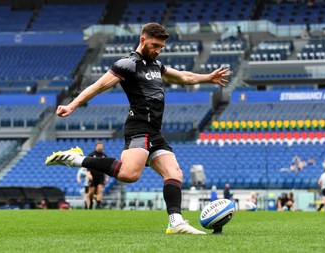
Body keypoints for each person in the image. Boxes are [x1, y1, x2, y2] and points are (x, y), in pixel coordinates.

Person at [45, 22, 229, 234]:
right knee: (129, 174)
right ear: (142, 40)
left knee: (174, 172)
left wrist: (208, 78)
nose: (158, 50)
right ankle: (75, 159)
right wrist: (72, 105)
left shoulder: (156, 66)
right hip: (138, 127)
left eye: (161, 46)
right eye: (155, 45)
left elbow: (183, 77)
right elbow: (98, 86)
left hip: (155, 131)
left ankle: (175, 221)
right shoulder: (127, 64)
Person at [87, 141, 110, 209]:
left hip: (101, 176)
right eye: (99, 146)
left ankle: (98, 204)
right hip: (93, 176)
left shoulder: (104, 156)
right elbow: (88, 165)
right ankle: (91, 202)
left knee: (100, 189)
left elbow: (107, 167)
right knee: (91, 191)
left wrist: (107, 177)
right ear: (96, 146)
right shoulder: (91, 155)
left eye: (101, 146)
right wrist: (88, 173)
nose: (100, 147)